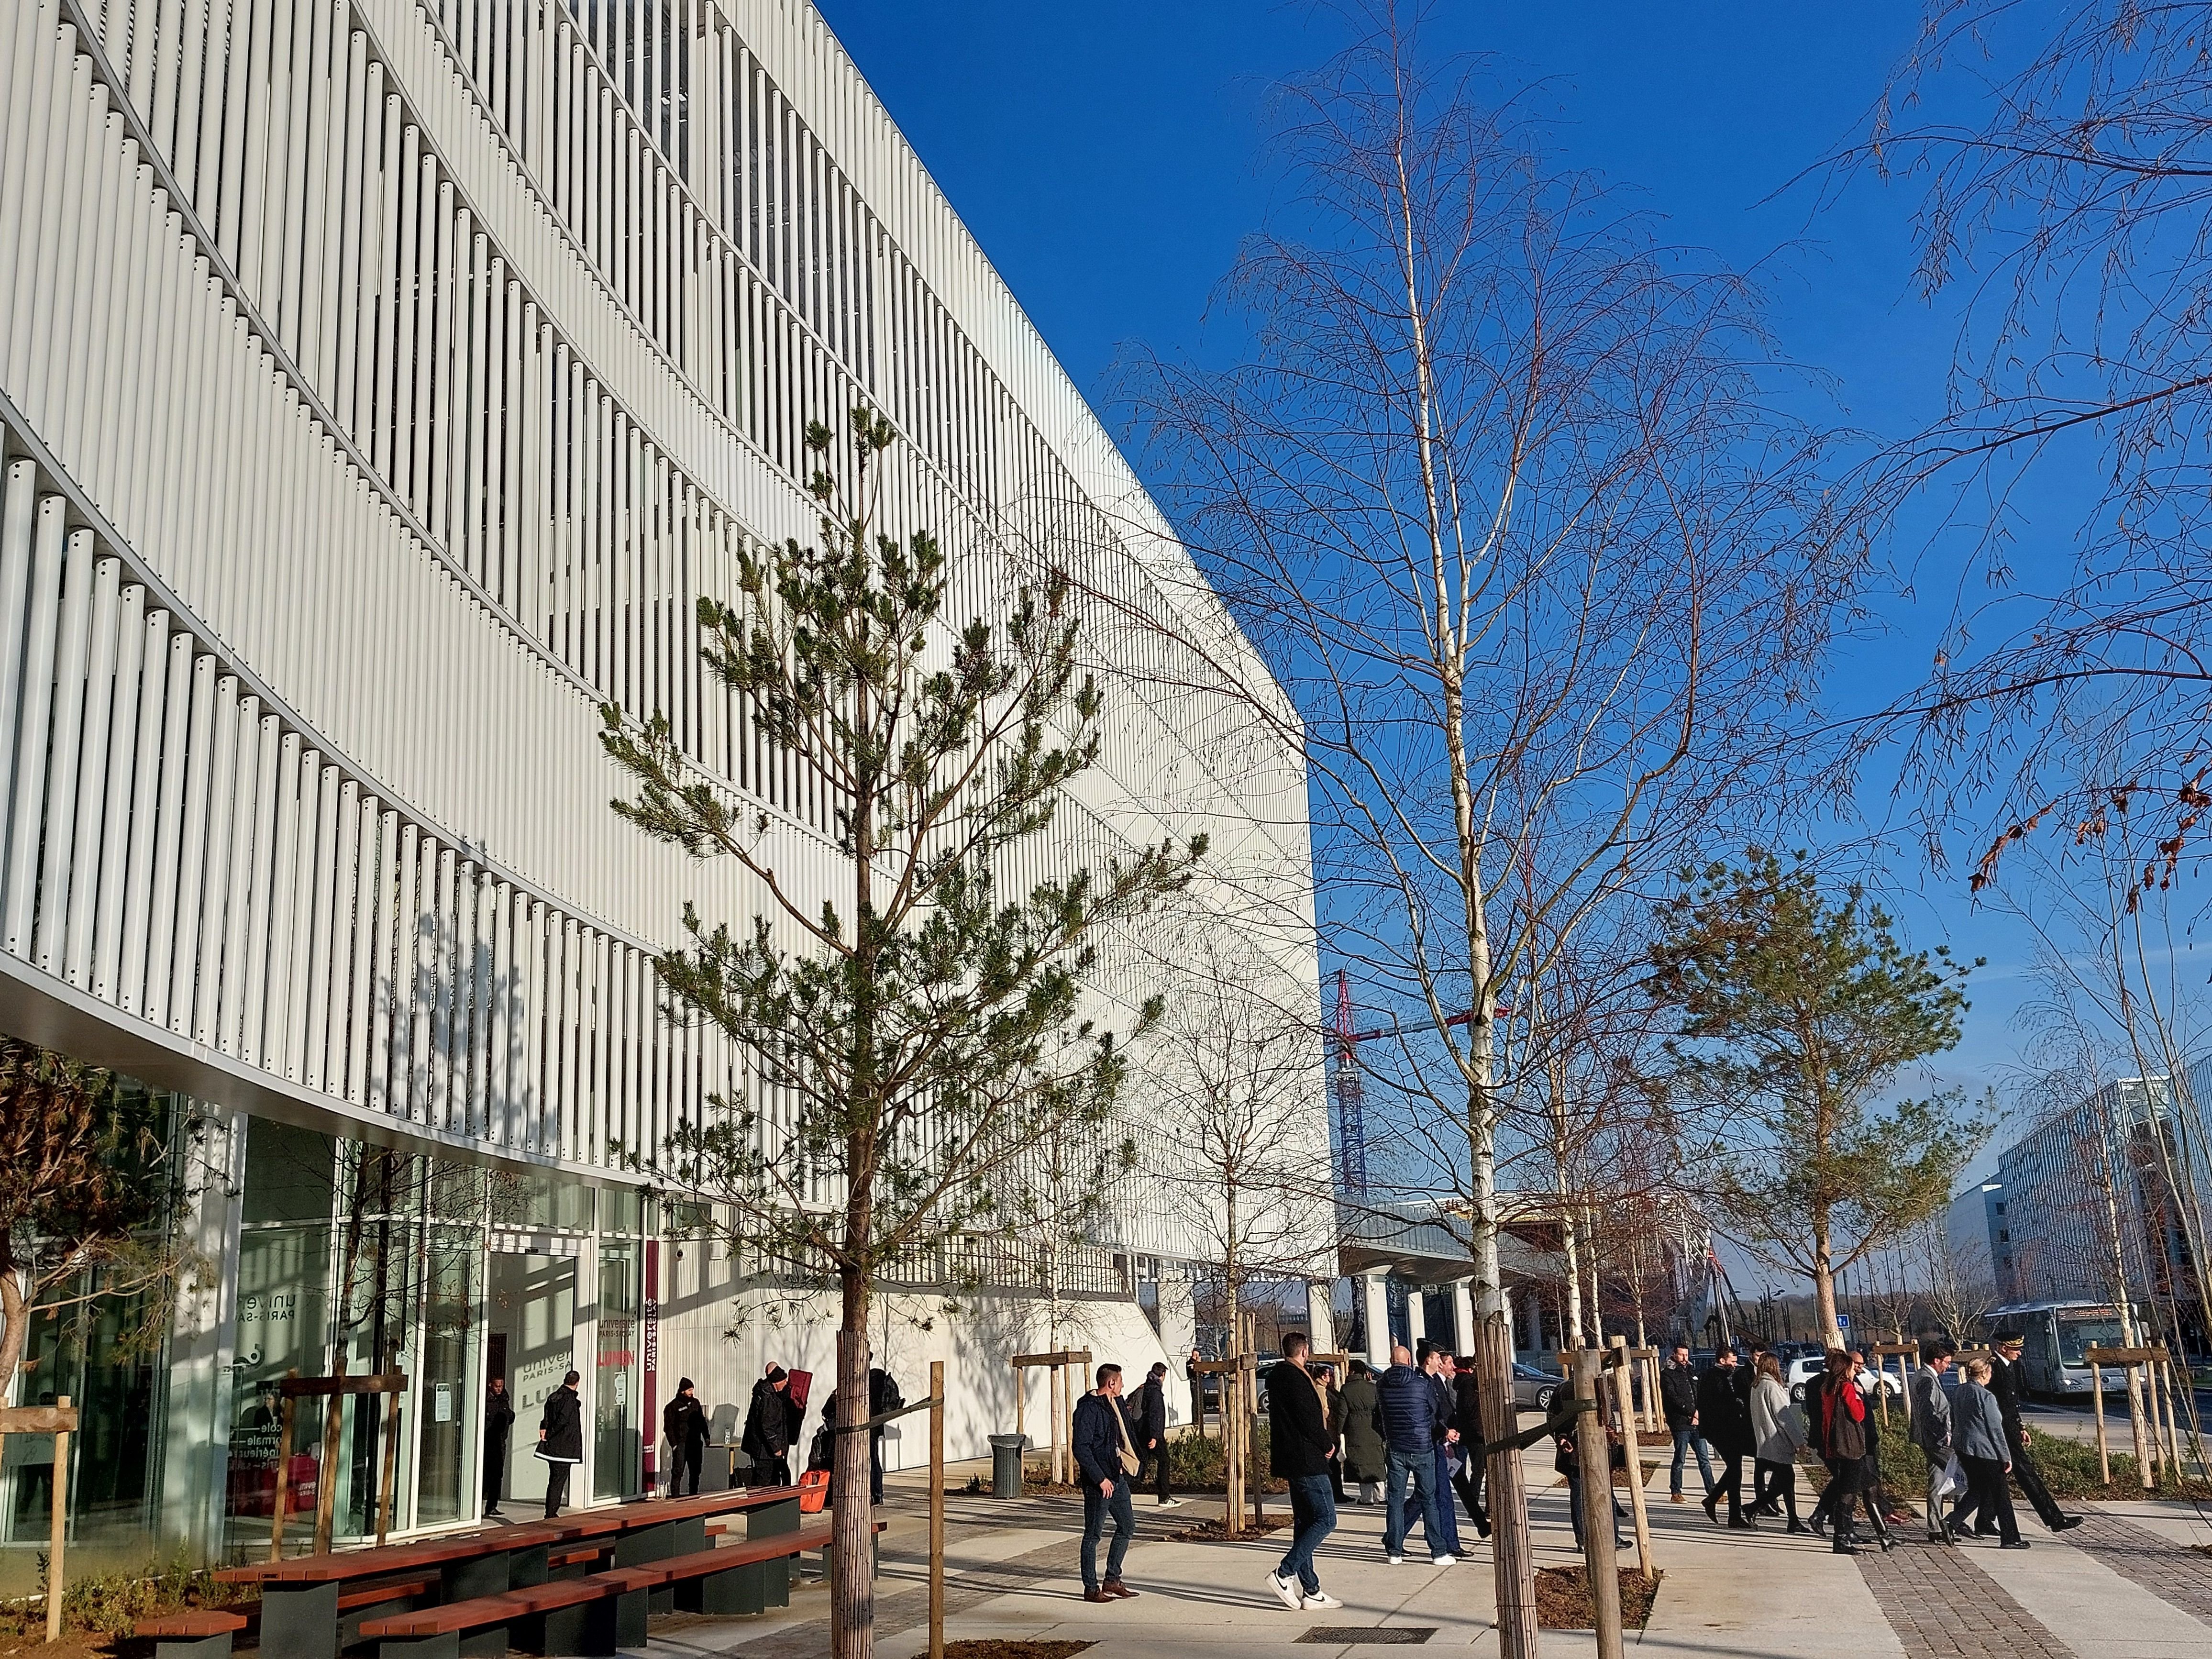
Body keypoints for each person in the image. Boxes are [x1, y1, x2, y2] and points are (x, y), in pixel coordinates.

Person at [1264, 1332, 1345, 1612]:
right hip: (1307, 1459)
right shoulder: (1295, 1379)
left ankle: (1311, 1590)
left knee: (1305, 1522)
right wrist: (1327, 1443)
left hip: (1294, 1460)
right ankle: (1283, 1574)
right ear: (1305, 1351)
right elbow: (1307, 1418)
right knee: (1326, 1519)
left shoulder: (1278, 1377)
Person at [1988, 1332, 2084, 1532]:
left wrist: (2020, 1426)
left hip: (2011, 1429)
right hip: (2002, 1432)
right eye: (2016, 1349)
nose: (2020, 1353)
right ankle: (2054, 1518)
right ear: (2003, 1348)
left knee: (1995, 1477)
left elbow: (2011, 1404)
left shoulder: (2010, 1365)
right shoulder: (1993, 1367)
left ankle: (1983, 1520)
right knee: (2026, 1474)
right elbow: (1994, 1404)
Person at [1374, 1343, 1456, 1566]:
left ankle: (1394, 1550)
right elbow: (1433, 1414)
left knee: (1396, 1501)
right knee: (1429, 1499)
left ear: (1392, 1362)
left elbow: (1378, 1418)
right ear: (1409, 1362)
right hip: (1422, 1447)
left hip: (1396, 1448)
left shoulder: (1381, 1385)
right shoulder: (1421, 1385)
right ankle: (1438, 1551)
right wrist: (1440, 1432)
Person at [1073, 1363, 1140, 1603]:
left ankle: (1112, 1579)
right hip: (1098, 1482)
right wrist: (1100, 1478)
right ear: (1111, 1383)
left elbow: (1125, 1434)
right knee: (1093, 1535)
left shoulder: (1115, 1405)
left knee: (1127, 1526)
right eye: (1121, 1381)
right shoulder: (1088, 1409)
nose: (1123, 1385)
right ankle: (1091, 1588)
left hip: (1117, 1477)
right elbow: (1081, 1448)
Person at [1810, 1349, 1887, 1555]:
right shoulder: (1846, 1388)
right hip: (1851, 1448)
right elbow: (1858, 1414)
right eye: (1852, 1367)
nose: (1855, 1371)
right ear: (1845, 1369)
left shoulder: (1827, 1388)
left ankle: (1885, 1536)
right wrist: (1859, 1397)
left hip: (1836, 1445)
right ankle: (1841, 1539)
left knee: (1868, 1485)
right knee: (1848, 1493)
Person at [1949, 1356, 2028, 1548]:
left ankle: (1950, 1522)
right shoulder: (1986, 1397)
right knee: (2002, 1494)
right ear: (1984, 1373)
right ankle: (2011, 1538)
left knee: (1979, 1489)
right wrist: (2005, 1456)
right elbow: (1995, 1429)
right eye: (1990, 1372)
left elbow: (1954, 1418)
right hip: (1986, 1452)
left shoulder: (1959, 1391)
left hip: (1964, 1448)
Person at [1695, 1346, 1754, 1528]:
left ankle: (1728, 1511)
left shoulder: (1716, 1376)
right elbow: (1718, 1406)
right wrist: (1737, 1406)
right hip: (1722, 1431)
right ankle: (1724, 1508)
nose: (1735, 1365)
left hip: (1724, 1431)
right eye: (1732, 1361)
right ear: (1723, 1361)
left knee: (1735, 1470)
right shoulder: (1715, 1378)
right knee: (1735, 1470)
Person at [1748, 1352, 1806, 1532]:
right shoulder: (1772, 1387)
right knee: (1786, 1480)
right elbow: (1785, 1418)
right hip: (1778, 1440)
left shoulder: (1757, 1386)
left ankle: (1793, 1520)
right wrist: (1799, 1441)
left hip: (1765, 1439)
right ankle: (1754, 1506)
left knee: (1787, 1480)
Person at [1908, 1339, 1957, 1542]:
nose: (1948, 1366)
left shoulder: (1923, 1375)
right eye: (1946, 1362)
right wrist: (1941, 1434)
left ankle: (1935, 1528)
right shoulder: (1927, 1380)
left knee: (1937, 1482)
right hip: (1936, 1441)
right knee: (1963, 1476)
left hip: (1929, 1439)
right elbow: (1927, 1410)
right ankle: (1955, 1522)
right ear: (1936, 1360)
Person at [1660, 1343, 1713, 1504]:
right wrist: (1691, 1412)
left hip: (1697, 1423)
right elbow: (1672, 1398)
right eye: (1682, 1355)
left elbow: (1699, 1393)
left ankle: (1713, 1491)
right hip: (1680, 1424)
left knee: (1704, 1459)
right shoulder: (1668, 1374)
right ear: (1674, 1354)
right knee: (1680, 1458)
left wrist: (1699, 1413)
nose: (1685, 1359)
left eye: (1687, 1355)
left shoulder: (1691, 1372)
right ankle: (1676, 1492)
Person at [1449, 1352, 1491, 1537]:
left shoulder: (1462, 1383)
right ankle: (1475, 1504)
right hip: (1476, 1434)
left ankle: (1478, 1505)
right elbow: (1469, 1410)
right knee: (1479, 1470)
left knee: (1474, 1470)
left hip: (1470, 1433)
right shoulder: (1468, 1384)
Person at [1128, 1361, 1178, 1507]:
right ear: (1163, 1375)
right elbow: (1156, 1416)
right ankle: (1164, 1497)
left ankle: (1125, 1489)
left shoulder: (1144, 1387)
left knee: (1141, 1461)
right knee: (1164, 1461)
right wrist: (1155, 1437)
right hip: (1152, 1435)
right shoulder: (1155, 1392)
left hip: (1141, 1432)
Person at [536, 1369, 584, 1518]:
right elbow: (563, 1421)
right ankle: (551, 1513)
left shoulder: (553, 1397)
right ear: (577, 1383)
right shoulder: (568, 1400)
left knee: (554, 1480)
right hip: (564, 1449)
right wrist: (549, 1434)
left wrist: (544, 1430)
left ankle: (550, 1511)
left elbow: (546, 1417)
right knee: (558, 1482)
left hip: (553, 1448)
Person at [1339, 1358, 1387, 1504]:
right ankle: (1381, 1496)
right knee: (1377, 1462)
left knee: (1361, 1464)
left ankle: (1366, 1498)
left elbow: (1342, 1414)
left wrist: (1340, 1432)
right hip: (1374, 1430)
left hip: (1355, 1431)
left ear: (1352, 1371)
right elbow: (1381, 1410)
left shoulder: (1346, 1389)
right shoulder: (1373, 1388)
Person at [741, 1364, 797, 1486]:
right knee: (766, 1483)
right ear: (777, 1383)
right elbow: (767, 1427)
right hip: (765, 1451)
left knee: (771, 1479)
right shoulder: (769, 1398)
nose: (786, 1383)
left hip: (764, 1449)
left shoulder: (769, 1393)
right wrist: (776, 1448)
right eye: (784, 1381)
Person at [663, 1377, 708, 1498]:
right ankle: (676, 1498)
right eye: (689, 1390)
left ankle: (694, 1496)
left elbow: (702, 1422)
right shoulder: (673, 1406)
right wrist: (674, 1445)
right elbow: (668, 1427)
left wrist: (707, 1437)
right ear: (683, 1391)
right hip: (681, 1443)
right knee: (678, 1472)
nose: (692, 1393)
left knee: (695, 1472)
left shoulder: (695, 1403)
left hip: (695, 1443)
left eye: (692, 1390)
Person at [866, 1364, 903, 1504]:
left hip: (868, 1425)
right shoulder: (878, 1376)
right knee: (874, 1459)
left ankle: (874, 1493)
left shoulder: (868, 1379)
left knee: (869, 1460)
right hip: (876, 1426)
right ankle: (878, 1494)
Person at [483, 1377, 515, 1516]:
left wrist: (509, 1416)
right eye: (497, 1386)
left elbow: (508, 1415)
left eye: (501, 1386)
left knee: (497, 1475)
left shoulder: (504, 1399)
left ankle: (491, 1506)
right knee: (485, 1475)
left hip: (500, 1441)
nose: (499, 1389)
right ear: (491, 1385)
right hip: (486, 1441)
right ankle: (476, 1504)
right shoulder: (485, 1399)